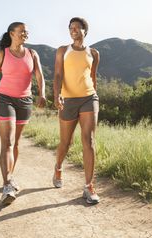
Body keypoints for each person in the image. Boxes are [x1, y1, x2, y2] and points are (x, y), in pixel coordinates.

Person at [0, 22, 46, 205]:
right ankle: (7, 184)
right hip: (3, 99)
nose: (26, 33)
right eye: (22, 31)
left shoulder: (32, 54)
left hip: (25, 101)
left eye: (26, 31)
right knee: (7, 142)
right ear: (12, 33)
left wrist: (42, 93)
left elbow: (39, 75)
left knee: (15, 143)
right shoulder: (1, 55)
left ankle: (10, 176)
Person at [52, 17, 100, 204]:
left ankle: (88, 186)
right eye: (71, 28)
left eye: (77, 28)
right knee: (66, 142)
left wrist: (95, 95)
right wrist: (57, 95)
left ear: (84, 31)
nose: (73, 30)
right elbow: (57, 75)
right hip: (68, 99)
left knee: (88, 140)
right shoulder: (63, 51)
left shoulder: (94, 53)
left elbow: (93, 77)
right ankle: (58, 167)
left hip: (89, 97)